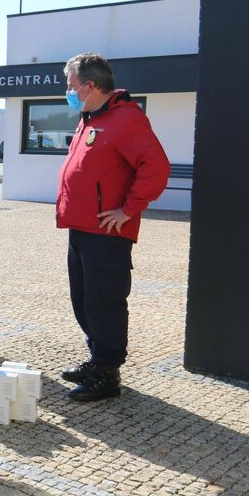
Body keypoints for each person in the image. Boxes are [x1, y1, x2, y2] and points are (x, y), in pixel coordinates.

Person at [57, 53, 169, 401]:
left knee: (104, 301)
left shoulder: (126, 120)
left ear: (90, 86)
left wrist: (128, 209)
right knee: (84, 300)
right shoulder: (91, 118)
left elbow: (156, 166)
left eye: (72, 85)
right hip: (82, 228)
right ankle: (97, 357)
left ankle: (107, 373)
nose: (69, 91)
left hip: (107, 234)